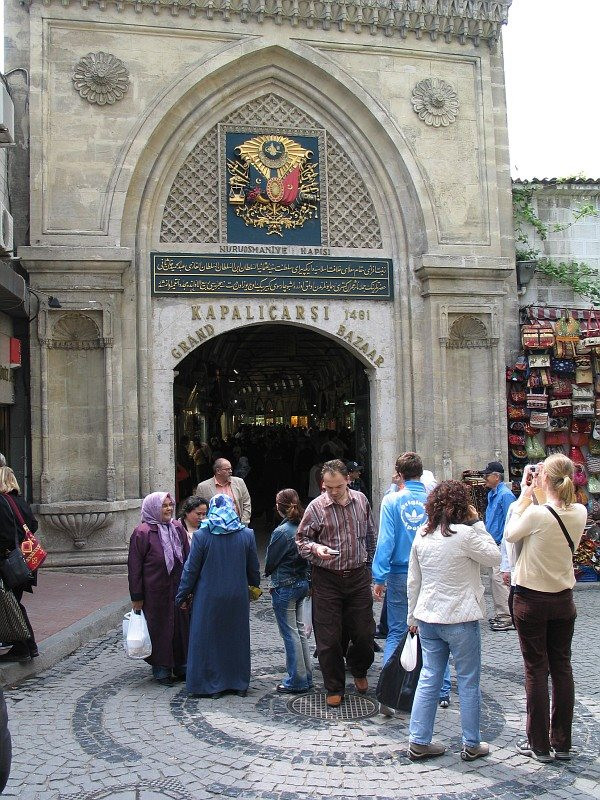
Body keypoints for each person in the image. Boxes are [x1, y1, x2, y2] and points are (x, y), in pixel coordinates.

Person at [406, 480, 501, 762]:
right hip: (460, 618)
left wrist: (412, 616)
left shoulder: (422, 535)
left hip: (429, 618)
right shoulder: (466, 535)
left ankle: (419, 740)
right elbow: (494, 556)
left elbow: (414, 581)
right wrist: (478, 523)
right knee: (469, 681)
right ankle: (471, 743)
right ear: (463, 506)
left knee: (429, 676)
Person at [505, 456, 587, 763]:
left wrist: (526, 494)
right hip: (563, 600)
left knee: (536, 671)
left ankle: (539, 744)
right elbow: (554, 507)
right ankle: (562, 742)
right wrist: (539, 491)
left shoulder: (537, 515)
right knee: (562, 668)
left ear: (544, 480)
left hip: (532, 600)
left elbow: (511, 533)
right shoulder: (580, 511)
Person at [296, 459, 377, 708]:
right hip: (327, 578)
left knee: (364, 633)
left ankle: (359, 667)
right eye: (328, 487)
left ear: (348, 481)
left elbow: (370, 535)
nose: (332, 491)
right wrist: (315, 548)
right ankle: (334, 686)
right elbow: (301, 540)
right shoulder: (316, 507)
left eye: (338, 487)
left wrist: (371, 567)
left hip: (357, 576)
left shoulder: (361, 501)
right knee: (328, 637)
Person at [176, 494, 260, 698]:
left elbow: (191, 570)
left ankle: (209, 684)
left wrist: (181, 595)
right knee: (235, 638)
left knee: (208, 639)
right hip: (237, 596)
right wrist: (253, 588)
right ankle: (238, 682)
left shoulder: (202, 536)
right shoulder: (246, 535)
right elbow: (254, 569)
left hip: (208, 596)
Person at [127, 492, 190, 685]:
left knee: (181, 628)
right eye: (164, 506)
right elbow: (135, 566)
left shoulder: (177, 528)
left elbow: (187, 558)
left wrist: (189, 587)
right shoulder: (143, 533)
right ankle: (161, 668)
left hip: (177, 589)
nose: (169, 509)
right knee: (159, 629)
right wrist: (137, 596)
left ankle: (181, 666)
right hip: (155, 592)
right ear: (154, 508)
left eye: (171, 505)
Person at [372, 453, 427, 664]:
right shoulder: (433, 499)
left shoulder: (392, 500)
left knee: (396, 630)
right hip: (428, 571)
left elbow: (386, 540)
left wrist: (379, 577)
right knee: (431, 633)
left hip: (400, 571)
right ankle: (440, 689)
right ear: (420, 473)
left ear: (400, 474)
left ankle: (390, 685)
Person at [265, 489, 312, 694]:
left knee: (290, 634)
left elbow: (270, 562)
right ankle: (305, 675)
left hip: (285, 584)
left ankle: (297, 679)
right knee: (299, 632)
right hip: (302, 582)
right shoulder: (304, 526)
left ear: (278, 507)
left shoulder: (281, 533)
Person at [0, 467, 40, 663]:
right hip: (24, 561)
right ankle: (24, 646)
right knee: (14, 603)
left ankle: (25, 646)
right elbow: (33, 525)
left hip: (10, 562)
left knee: (13, 604)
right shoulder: (19, 501)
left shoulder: (3, 501)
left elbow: (6, 536)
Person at [482, 461, 516, 631]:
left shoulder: (505, 495)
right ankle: (501, 613)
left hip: (501, 543)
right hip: (493, 542)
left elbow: (511, 521)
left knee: (500, 579)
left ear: (496, 476)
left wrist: (505, 544)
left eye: (486, 475)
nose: (484, 478)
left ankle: (507, 616)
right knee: (495, 580)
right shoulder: (493, 494)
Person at [196, 458, 251, 525]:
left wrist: (244, 522)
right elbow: (198, 509)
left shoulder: (239, 482)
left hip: (237, 525)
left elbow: (247, 502)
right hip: (213, 528)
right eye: (227, 469)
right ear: (218, 471)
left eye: (231, 468)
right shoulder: (203, 487)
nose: (230, 471)